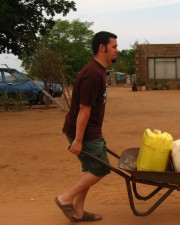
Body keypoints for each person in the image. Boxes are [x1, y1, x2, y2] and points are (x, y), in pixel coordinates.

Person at [55, 31, 118, 222]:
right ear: (102, 48)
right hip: (84, 131)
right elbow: (84, 109)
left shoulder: (98, 71)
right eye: (114, 47)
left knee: (89, 169)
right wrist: (78, 140)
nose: (117, 50)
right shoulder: (93, 74)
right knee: (101, 167)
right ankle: (65, 198)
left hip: (89, 130)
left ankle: (78, 211)